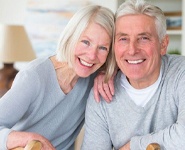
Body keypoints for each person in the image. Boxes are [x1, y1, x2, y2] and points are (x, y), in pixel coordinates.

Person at [82, 0, 185, 149]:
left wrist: (132, 146)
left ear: (163, 44)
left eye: (143, 38)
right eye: (123, 39)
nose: (132, 50)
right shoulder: (102, 94)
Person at [0, 5, 115, 150]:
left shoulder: (95, 79)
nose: (92, 55)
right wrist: (28, 138)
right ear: (71, 37)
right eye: (86, 42)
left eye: (103, 48)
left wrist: (108, 73)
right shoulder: (34, 77)